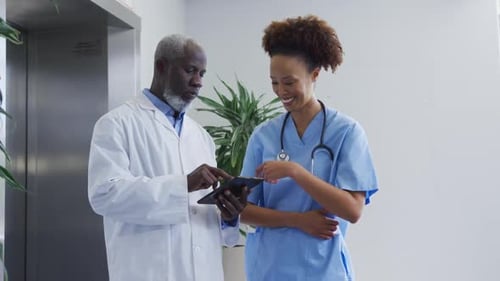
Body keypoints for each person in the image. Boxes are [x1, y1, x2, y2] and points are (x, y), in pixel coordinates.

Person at [88, 34, 248, 281]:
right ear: (161, 67)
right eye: (190, 70)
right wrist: (183, 184)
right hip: (148, 272)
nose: (197, 82)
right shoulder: (116, 124)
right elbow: (104, 195)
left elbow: (200, 217)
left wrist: (227, 217)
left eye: (202, 74)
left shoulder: (201, 136)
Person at [240, 15, 379, 281]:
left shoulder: (347, 133)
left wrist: (295, 171)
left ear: (314, 75)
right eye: (274, 82)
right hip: (268, 268)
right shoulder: (263, 136)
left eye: (289, 82)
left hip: (323, 269)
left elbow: (353, 210)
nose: (281, 91)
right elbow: (245, 210)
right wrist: (297, 219)